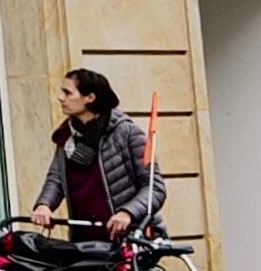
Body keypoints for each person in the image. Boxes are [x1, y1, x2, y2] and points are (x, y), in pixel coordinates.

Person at [32, 65, 163, 239]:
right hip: (85, 242)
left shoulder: (127, 133)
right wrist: (44, 205)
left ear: (90, 97)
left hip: (128, 239)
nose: (60, 98)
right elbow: (56, 179)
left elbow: (154, 187)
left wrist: (127, 213)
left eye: (68, 93)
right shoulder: (66, 137)